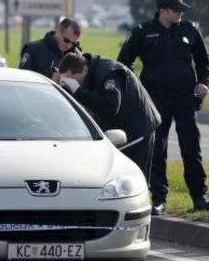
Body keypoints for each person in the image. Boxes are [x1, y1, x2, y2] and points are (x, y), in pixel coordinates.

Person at [117, 0, 209, 215]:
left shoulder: (189, 30)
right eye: (176, 9)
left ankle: (199, 196)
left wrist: (203, 82)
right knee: (157, 149)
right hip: (155, 100)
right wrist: (137, 90)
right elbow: (124, 63)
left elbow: (203, 60)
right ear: (163, 11)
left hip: (185, 99)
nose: (181, 13)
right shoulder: (143, 32)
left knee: (191, 147)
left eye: (182, 10)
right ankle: (159, 199)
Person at [57, 53, 161, 182]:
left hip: (138, 127)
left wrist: (78, 91)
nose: (71, 84)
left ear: (84, 69)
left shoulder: (109, 73)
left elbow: (110, 106)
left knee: (134, 180)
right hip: (119, 128)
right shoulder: (88, 73)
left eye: (73, 79)